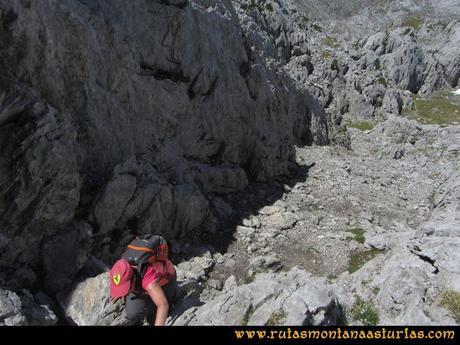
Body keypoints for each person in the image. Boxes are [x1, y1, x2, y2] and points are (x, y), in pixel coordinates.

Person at [109, 255, 177, 326]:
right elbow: (119, 278)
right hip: (144, 284)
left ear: (133, 279)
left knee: (157, 314)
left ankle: (171, 299)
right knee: (132, 313)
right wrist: (119, 290)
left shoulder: (148, 280)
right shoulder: (122, 267)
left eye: (126, 288)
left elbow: (163, 305)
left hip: (166, 281)